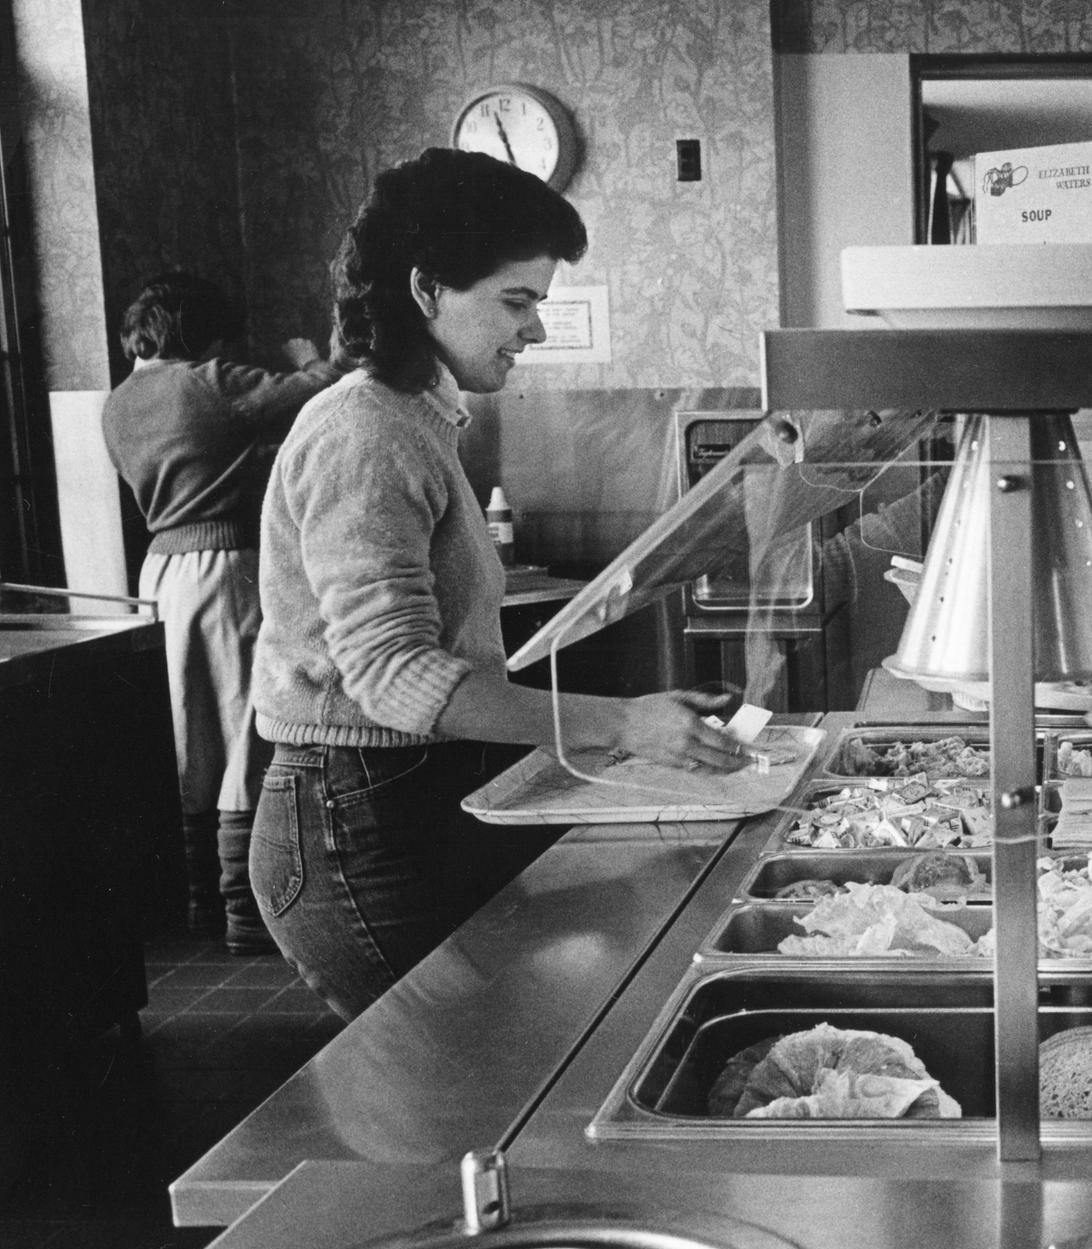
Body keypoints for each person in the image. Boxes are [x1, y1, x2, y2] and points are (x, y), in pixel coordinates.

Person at [248, 148, 747, 1019]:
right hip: (350, 823)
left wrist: (622, 729)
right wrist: (622, 724)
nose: (535, 331)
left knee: (495, 1053)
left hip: (404, 799)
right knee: (450, 1082)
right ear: (427, 288)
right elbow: (398, 681)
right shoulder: (364, 430)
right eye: (516, 302)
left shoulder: (413, 417)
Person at [101, 273, 338, 954]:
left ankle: (200, 902)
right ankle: (246, 915)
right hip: (227, 568)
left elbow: (209, 459)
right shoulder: (202, 382)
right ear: (198, 332)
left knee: (189, 737)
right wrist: (304, 356)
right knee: (243, 734)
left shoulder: (119, 404)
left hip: (161, 575)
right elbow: (319, 385)